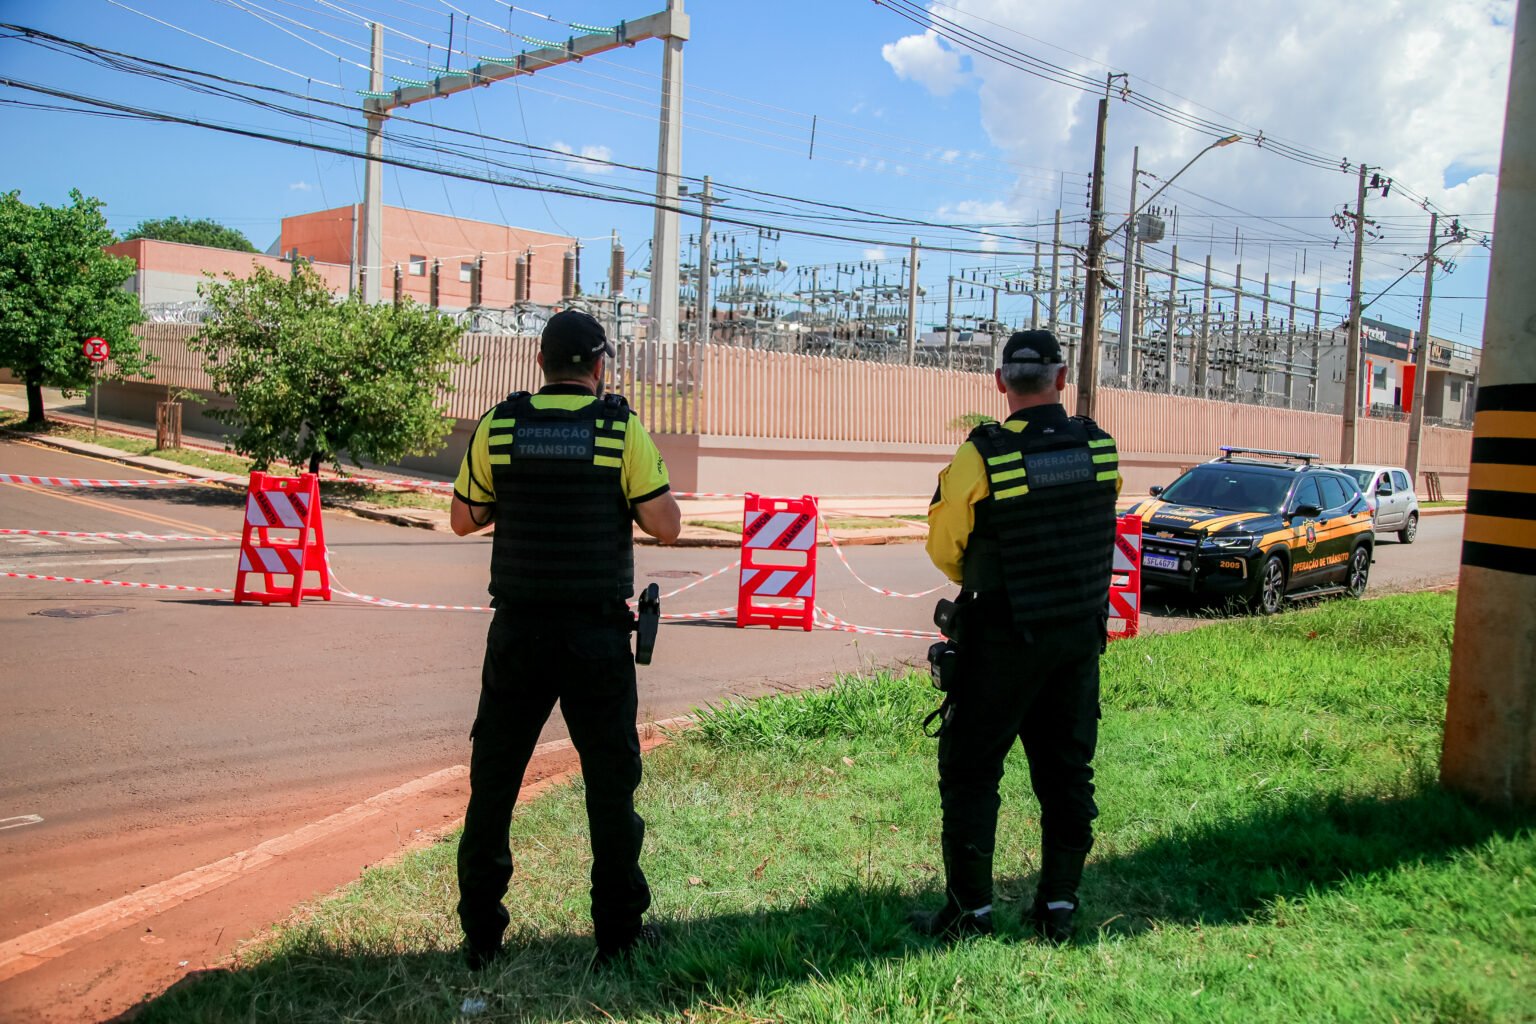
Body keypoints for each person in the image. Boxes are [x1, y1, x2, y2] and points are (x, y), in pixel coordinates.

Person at [449, 309, 682, 971]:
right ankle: (618, 936)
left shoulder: (501, 425)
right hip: (595, 637)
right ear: (599, 366)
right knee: (610, 787)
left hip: (518, 633)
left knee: (494, 784)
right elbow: (666, 525)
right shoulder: (618, 429)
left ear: (541, 363)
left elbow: (463, 518)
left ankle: (482, 939)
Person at [914, 329, 1120, 944]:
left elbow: (945, 548)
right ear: (1062, 379)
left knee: (972, 771)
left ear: (1001, 382)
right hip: (1078, 637)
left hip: (1001, 639)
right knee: (1067, 773)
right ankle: (1058, 907)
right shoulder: (1100, 448)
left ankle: (970, 914)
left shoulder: (983, 455)